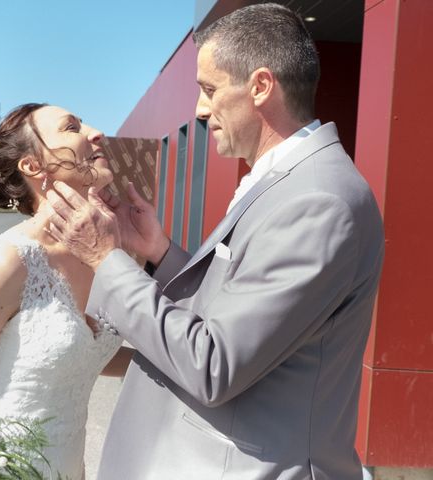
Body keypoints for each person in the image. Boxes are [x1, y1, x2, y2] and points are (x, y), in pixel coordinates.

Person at [45, 4, 384, 480]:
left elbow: (215, 363)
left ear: (261, 86)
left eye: (209, 90)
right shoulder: (289, 181)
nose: (200, 110)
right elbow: (236, 301)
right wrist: (159, 254)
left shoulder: (320, 201)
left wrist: (107, 261)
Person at [0, 103, 132, 480]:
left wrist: (175, 365)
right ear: (34, 166)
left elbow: (84, 355)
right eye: (72, 127)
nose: (96, 133)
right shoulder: (8, 261)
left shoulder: (107, 253)